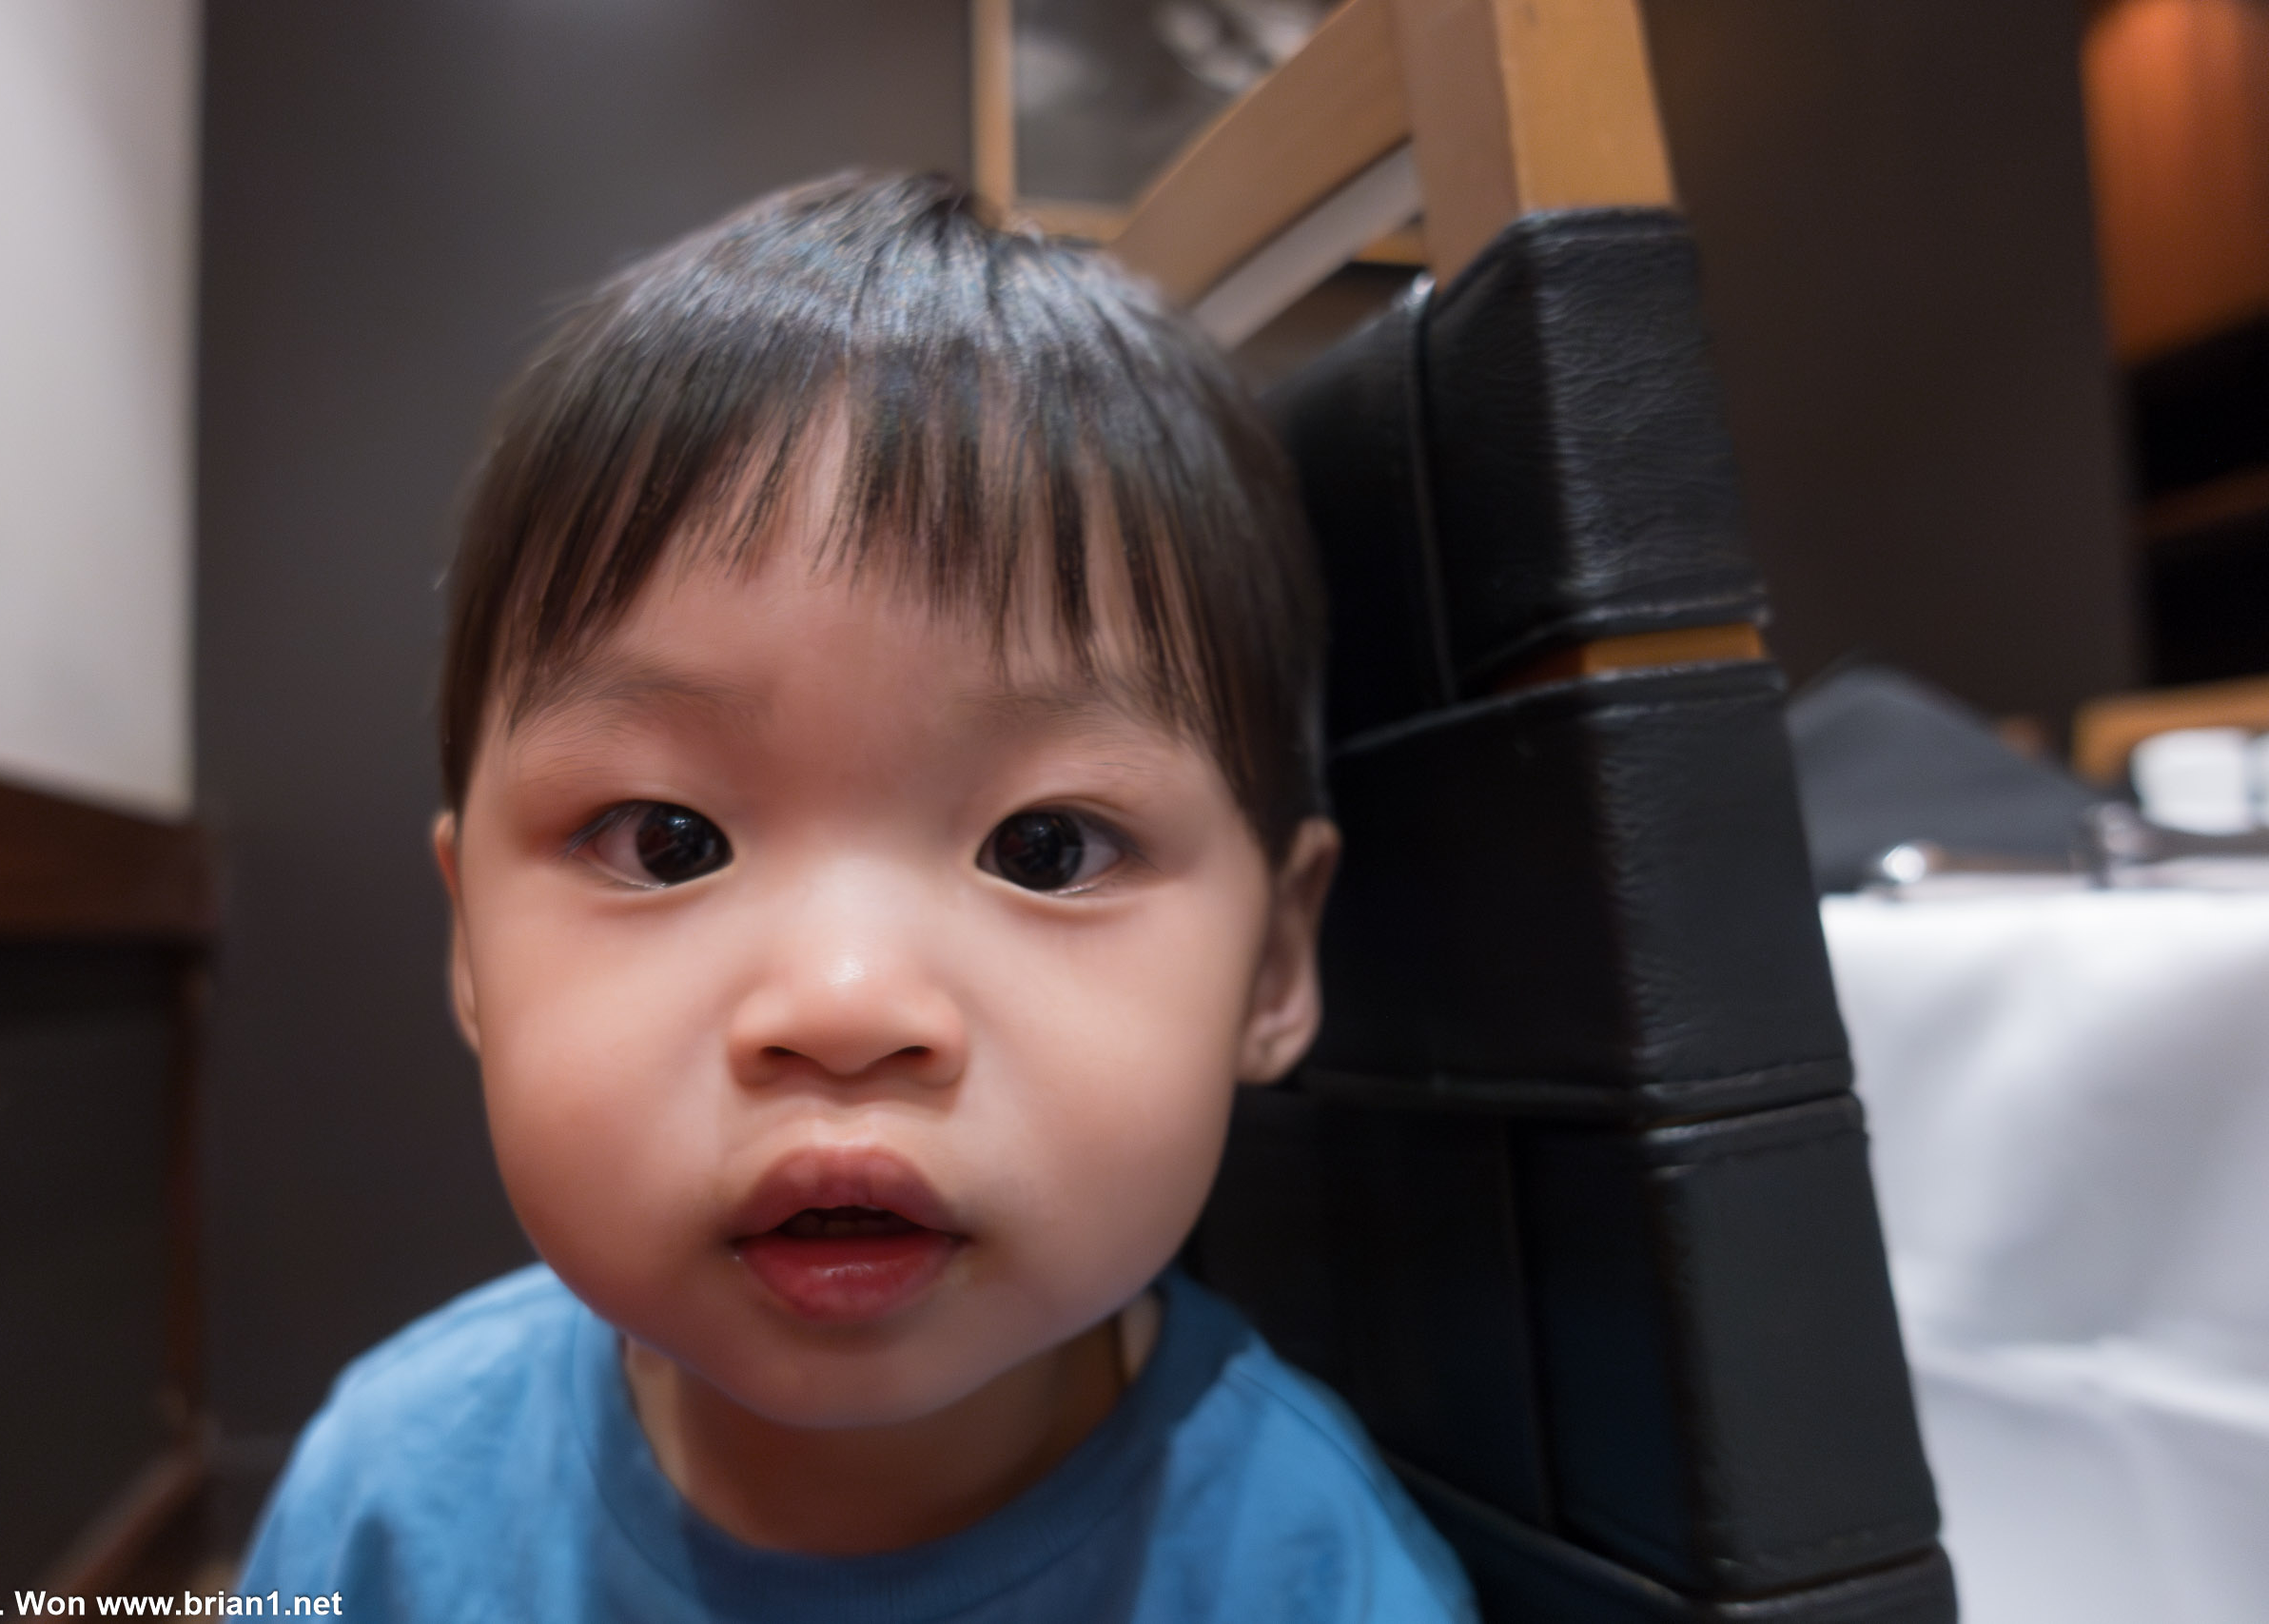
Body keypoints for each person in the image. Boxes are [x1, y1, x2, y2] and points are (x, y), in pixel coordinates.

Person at [240, 172, 1476, 1622]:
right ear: (470, 944)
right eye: (665, 840)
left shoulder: (1320, 1584)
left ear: (1272, 961)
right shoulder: (379, 1512)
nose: (844, 1009)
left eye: (1047, 849)